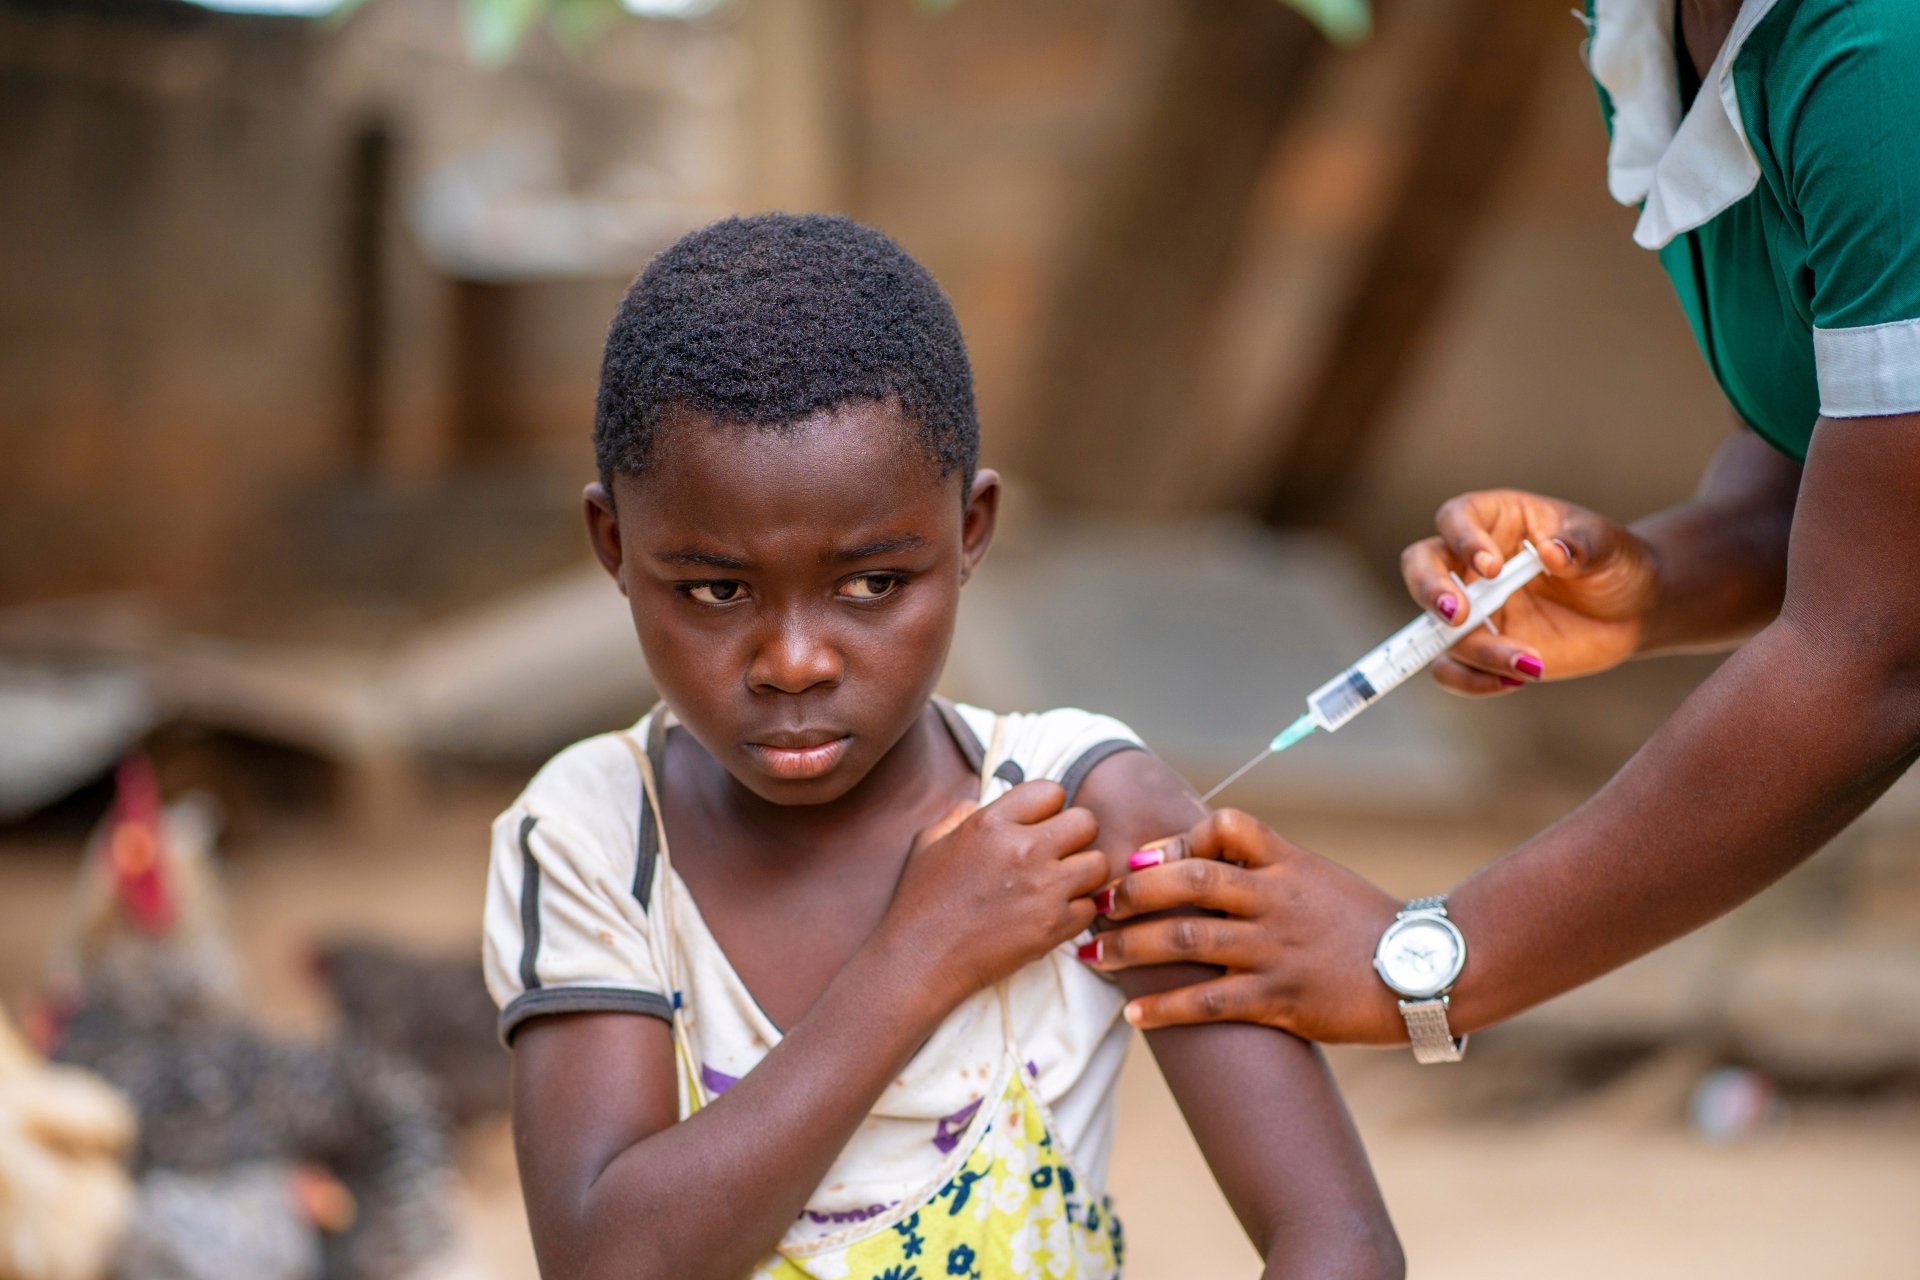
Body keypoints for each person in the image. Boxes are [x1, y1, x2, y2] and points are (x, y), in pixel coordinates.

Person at [481, 213, 1401, 1279]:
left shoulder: (1081, 815)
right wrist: (918, 956)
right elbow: (608, 1263)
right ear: (613, 545)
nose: (793, 660)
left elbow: (1337, 1237)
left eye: (872, 583)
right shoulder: (595, 832)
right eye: (715, 589)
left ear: (971, 530)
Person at [1088, 0, 1920, 1064]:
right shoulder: (1644, 28)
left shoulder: (1882, 51)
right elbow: (1827, 443)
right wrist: (1658, 580)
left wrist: (1428, 955)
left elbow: (1880, 641)